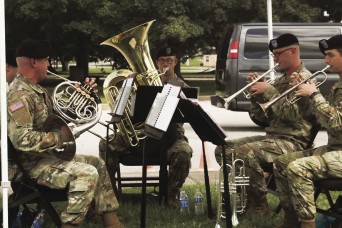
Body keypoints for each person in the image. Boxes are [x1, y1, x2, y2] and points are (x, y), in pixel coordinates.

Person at [7, 39, 122, 228]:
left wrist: (86, 96)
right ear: (35, 62)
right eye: (46, 60)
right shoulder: (19, 96)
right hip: (29, 168)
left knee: (97, 163)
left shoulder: (35, 91)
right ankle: (70, 225)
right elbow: (22, 140)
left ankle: (113, 223)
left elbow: (53, 122)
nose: (49, 65)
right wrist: (61, 138)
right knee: (86, 172)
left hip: (44, 159)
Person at [214, 33, 316, 213]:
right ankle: (245, 198)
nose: (275, 59)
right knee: (223, 148)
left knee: (243, 152)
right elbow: (262, 119)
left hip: (293, 142)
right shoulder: (282, 79)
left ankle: (259, 206)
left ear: (292, 51)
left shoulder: (304, 79)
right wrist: (257, 97)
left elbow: (293, 117)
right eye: (273, 55)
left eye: (278, 54)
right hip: (274, 138)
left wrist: (269, 92)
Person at [99, 45, 193, 208]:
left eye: (169, 61)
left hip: (170, 137)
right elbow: (130, 113)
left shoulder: (182, 87)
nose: (165, 64)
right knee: (106, 144)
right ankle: (111, 195)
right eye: (162, 60)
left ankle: (170, 196)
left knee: (184, 152)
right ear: (156, 63)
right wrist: (130, 90)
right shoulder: (142, 86)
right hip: (142, 137)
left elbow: (186, 116)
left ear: (175, 62)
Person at [273, 35, 342, 228]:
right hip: (334, 150)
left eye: (330, 55)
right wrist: (302, 92)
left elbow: (336, 122)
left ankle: (308, 225)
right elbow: (319, 118)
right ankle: (291, 221)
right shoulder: (338, 85)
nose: (326, 60)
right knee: (281, 163)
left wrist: (314, 94)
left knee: (298, 168)